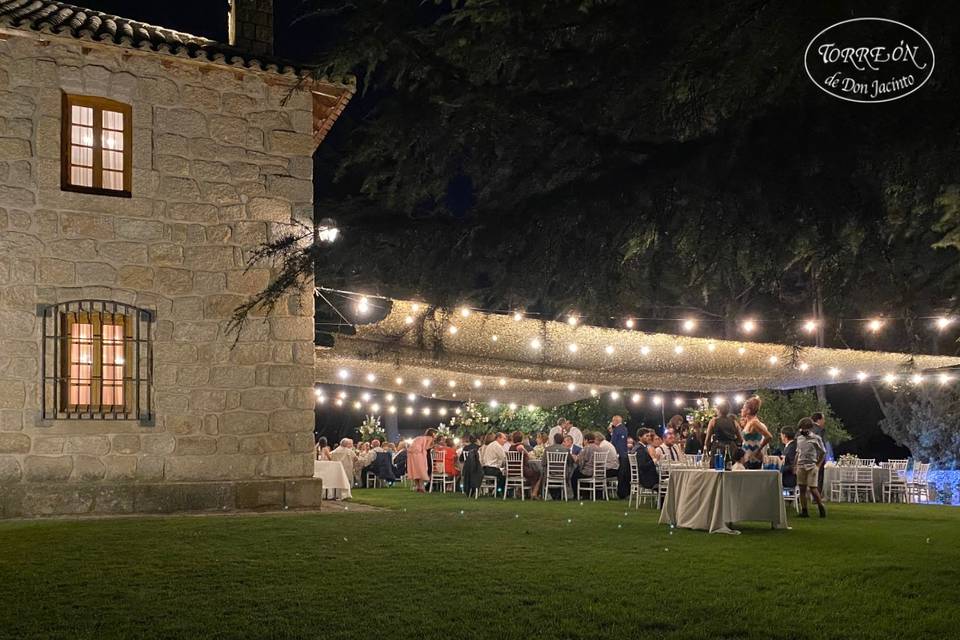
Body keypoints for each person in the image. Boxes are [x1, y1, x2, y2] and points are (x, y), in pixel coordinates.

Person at [795, 418, 827, 518]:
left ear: (809, 428)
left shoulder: (816, 438)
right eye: (801, 429)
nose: (802, 431)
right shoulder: (799, 439)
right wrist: (795, 465)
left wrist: (818, 465)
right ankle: (804, 511)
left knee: (813, 488)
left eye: (804, 429)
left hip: (811, 466)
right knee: (802, 488)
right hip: (801, 466)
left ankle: (821, 506)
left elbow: (823, 452)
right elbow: (798, 452)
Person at [740, 396, 772, 470]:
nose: (741, 410)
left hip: (753, 457)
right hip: (748, 456)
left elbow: (769, 436)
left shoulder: (754, 423)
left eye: (743, 408)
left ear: (748, 411)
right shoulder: (750, 422)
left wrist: (758, 450)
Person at [509, 431, 542, 498]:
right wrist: (527, 453)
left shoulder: (511, 447)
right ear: (521, 438)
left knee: (532, 474)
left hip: (512, 470)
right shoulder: (519, 446)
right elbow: (520, 448)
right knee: (538, 473)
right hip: (521, 469)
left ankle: (520, 491)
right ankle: (534, 493)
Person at [543, 433, 574, 499]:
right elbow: (571, 462)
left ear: (554, 440)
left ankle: (550, 493)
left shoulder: (547, 449)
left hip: (550, 474)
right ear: (562, 441)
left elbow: (543, 463)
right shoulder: (566, 450)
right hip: (562, 474)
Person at [407, 428, 436, 493]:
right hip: (419, 453)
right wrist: (433, 445)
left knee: (415, 470)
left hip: (411, 453)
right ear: (433, 434)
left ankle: (417, 487)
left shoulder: (419, 437)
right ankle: (422, 487)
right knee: (421, 470)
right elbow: (426, 447)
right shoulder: (430, 438)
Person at [811, 411, 834, 488]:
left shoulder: (808, 429)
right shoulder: (820, 430)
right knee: (819, 476)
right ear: (818, 420)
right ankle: (817, 495)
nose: (824, 421)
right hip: (818, 457)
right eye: (823, 419)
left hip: (809, 456)